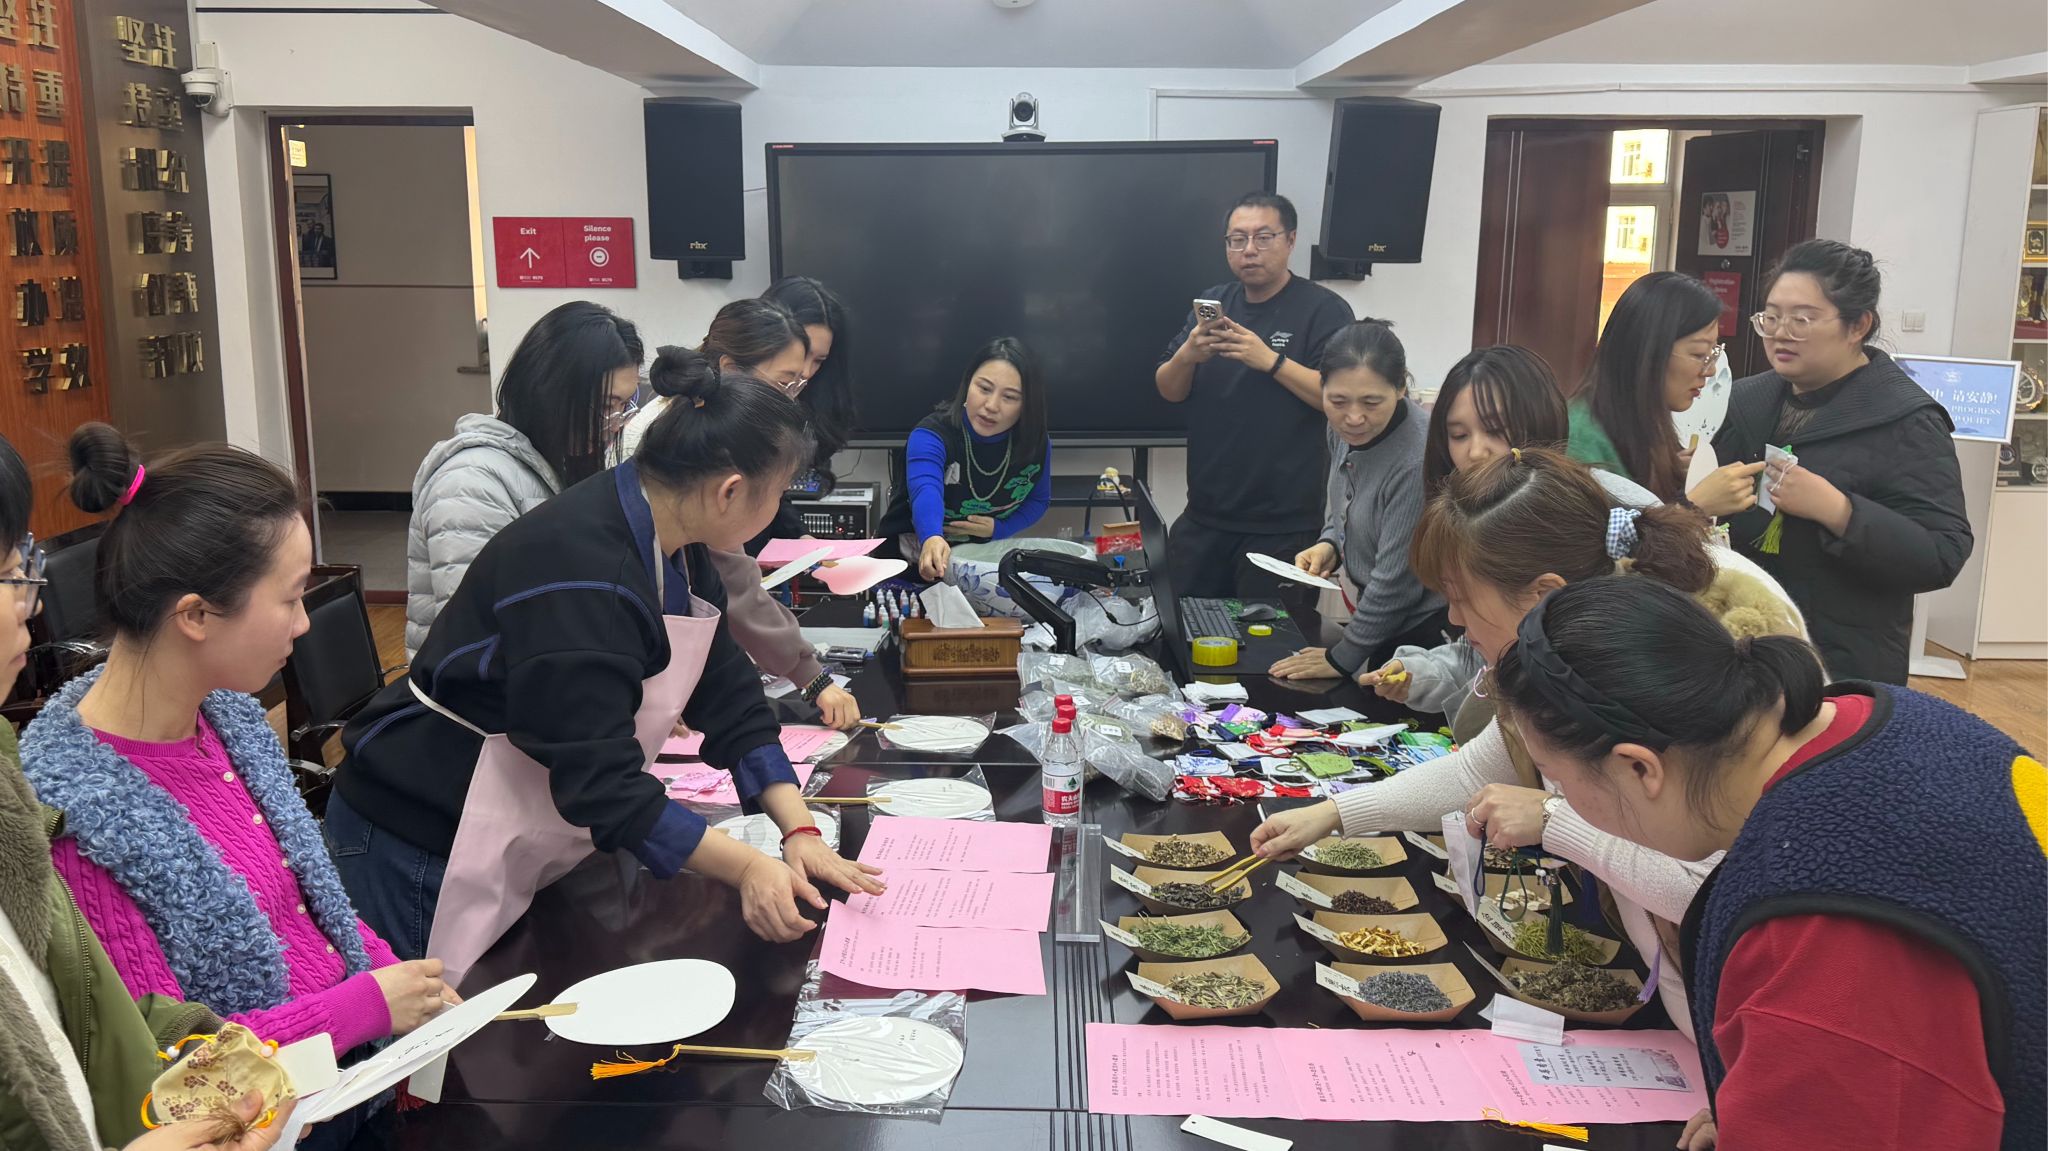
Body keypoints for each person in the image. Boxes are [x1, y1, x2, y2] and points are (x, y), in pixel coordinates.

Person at [332, 347, 884, 991]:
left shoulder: (674, 540)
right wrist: (746, 868)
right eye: (781, 490)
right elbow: (601, 785)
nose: (781, 502)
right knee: (425, 1033)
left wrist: (799, 828)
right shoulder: (583, 569)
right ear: (730, 490)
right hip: (422, 828)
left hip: (518, 815)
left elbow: (729, 692)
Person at [1248, 448, 1810, 1038]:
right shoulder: (1567, 651)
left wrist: (1552, 819)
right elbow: (1484, 767)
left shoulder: (1675, 674)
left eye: (1463, 599)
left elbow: (1709, 885)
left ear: (1543, 594)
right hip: (1697, 1009)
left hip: (1745, 1010)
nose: (1456, 621)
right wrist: (1335, 813)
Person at [1492, 576, 2041, 1150]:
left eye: (1558, 780)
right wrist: (1774, 1092)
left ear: (1639, 768)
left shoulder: (1826, 936)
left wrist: (1794, 1103)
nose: (1560, 798)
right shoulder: (1869, 718)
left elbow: (1857, 1058)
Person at [19, 426, 451, 1151]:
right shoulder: (74, 812)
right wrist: (367, 1005)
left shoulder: (230, 719)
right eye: (290, 598)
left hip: (348, 1089)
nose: (304, 622)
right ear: (194, 614)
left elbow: (316, 914)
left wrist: (396, 981)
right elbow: (168, 1064)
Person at [1713, 239, 1972, 683]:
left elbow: (1941, 554)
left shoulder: (1905, 419)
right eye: (1771, 317)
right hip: (1741, 642)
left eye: (1802, 319)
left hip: (1841, 660)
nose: (1780, 332)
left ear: (1858, 326)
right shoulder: (1746, 400)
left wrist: (1839, 511)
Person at [618, 298, 859, 728]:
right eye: (785, 383)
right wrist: (812, 678)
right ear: (730, 367)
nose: (792, 397)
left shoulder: (685, 418)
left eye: (801, 382)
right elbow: (731, 579)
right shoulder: (698, 443)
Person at [407, 300, 643, 655]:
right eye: (606, 405)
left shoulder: (553, 463)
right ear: (552, 390)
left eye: (624, 405)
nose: (614, 423)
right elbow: (475, 636)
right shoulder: (471, 484)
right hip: (478, 683)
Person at [1155, 191, 1356, 599]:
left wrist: (1270, 360)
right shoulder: (1216, 303)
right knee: (1182, 628)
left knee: (1272, 638)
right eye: (1237, 239)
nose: (1249, 250)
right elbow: (1168, 389)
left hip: (1283, 527)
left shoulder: (1324, 310)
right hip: (1203, 518)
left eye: (1263, 237)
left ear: (1291, 240)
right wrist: (1188, 354)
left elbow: (1340, 399)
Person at [1271, 320, 1445, 681]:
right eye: (1337, 401)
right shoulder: (1344, 429)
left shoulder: (1417, 459)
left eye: (1371, 402)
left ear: (1401, 388)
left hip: (1423, 634)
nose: (1353, 417)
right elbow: (1344, 502)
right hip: (1382, 621)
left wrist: (1341, 658)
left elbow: (1396, 585)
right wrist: (1330, 544)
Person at [1568, 271, 1764, 516]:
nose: (1711, 370)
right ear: (1647, 351)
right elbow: (1593, 538)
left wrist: (1671, 471)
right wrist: (1693, 506)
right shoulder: (1579, 438)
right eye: (1698, 354)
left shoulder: (1642, 421)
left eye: (1713, 353)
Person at [879, 336, 1052, 581]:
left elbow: (1038, 500)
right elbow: (925, 489)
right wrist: (931, 536)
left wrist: (1000, 528)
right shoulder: (931, 434)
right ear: (968, 384)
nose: (991, 405)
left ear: (1026, 404)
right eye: (984, 388)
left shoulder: (1035, 442)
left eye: (1010, 397)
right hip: (909, 564)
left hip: (981, 567)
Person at [751, 275, 857, 549]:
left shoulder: (794, 402)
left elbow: (772, 491)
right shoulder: (727, 407)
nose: (806, 372)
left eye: (819, 360)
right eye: (802, 353)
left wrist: (800, 537)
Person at [1420, 344, 1571, 498]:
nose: (1476, 453)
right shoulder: (1442, 508)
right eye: (1459, 435)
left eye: (1495, 430)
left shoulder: (1571, 509)